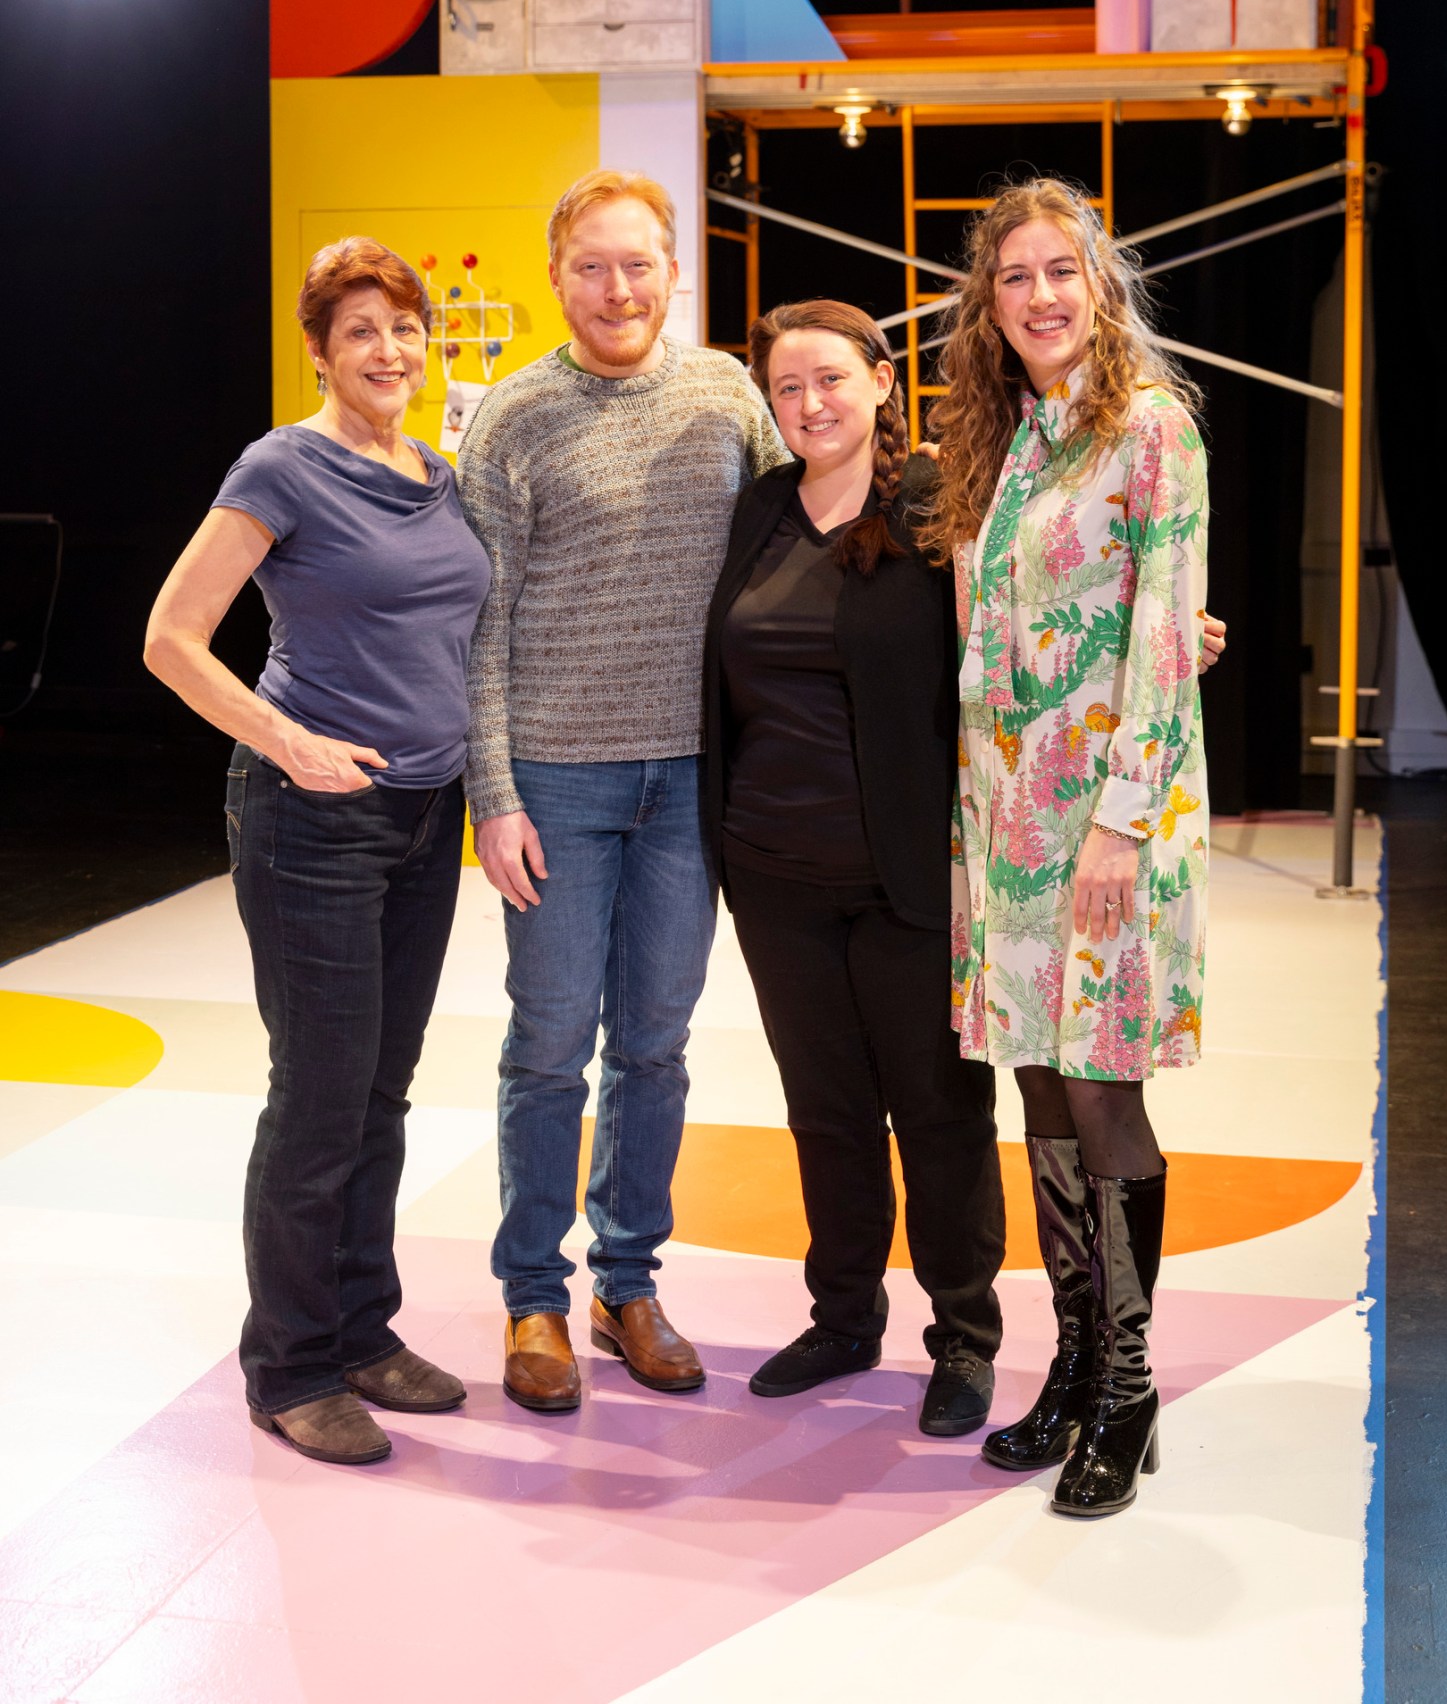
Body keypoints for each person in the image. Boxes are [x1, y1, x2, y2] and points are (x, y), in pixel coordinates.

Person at [144, 239, 491, 1467]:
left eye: (404, 328)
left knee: (382, 1093)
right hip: (311, 820)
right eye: (361, 332)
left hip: (422, 815)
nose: (389, 351)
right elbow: (173, 638)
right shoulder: (282, 466)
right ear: (320, 350)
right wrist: (288, 741)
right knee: (320, 1094)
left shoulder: (440, 476)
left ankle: (359, 1329)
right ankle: (289, 1366)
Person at [456, 169, 785, 1414]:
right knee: (549, 1048)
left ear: (674, 271)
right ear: (554, 276)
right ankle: (532, 1296)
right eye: (592, 265)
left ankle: (627, 1282)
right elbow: (480, 631)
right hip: (555, 779)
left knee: (655, 1046)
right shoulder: (513, 420)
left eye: (638, 263)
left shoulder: (727, 394)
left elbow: (806, 523)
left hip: (690, 786)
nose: (618, 288)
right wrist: (495, 793)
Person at [920, 177, 1210, 1517]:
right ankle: (1078, 1360)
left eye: (1061, 271)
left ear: (1100, 287)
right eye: (1015, 275)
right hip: (1003, 824)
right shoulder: (1008, 445)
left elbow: (1161, 632)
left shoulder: (1150, 430)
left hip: (1104, 824)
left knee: (1102, 1088)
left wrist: (1118, 819)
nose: (1039, 295)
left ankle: (1134, 1384)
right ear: (989, 302)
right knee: (1036, 1085)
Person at [702, 302, 1006, 1438]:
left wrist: (1170, 632)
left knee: (937, 1113)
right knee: (825, 1113)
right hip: (773, 877)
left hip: (905, 879)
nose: (812, 405)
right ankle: (843, 1318)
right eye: (788, 390)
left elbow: (1020, 626)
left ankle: (964, 1337)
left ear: (883, 382)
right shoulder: (758, 513)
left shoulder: (937, 505)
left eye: (832, 380)